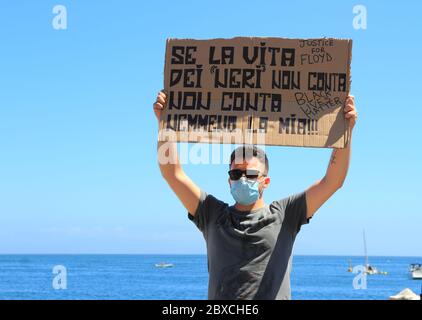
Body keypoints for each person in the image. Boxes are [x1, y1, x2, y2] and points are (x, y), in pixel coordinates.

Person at [153, 91, 357, 299]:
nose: (243, 178)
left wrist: (346, 129)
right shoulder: (212, 213)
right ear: (229, 179)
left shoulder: (286, 214)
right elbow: (173, 174)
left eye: (251, 174)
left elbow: (332, 181)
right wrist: (164, 125)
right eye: (236, 173)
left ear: (265, 181)